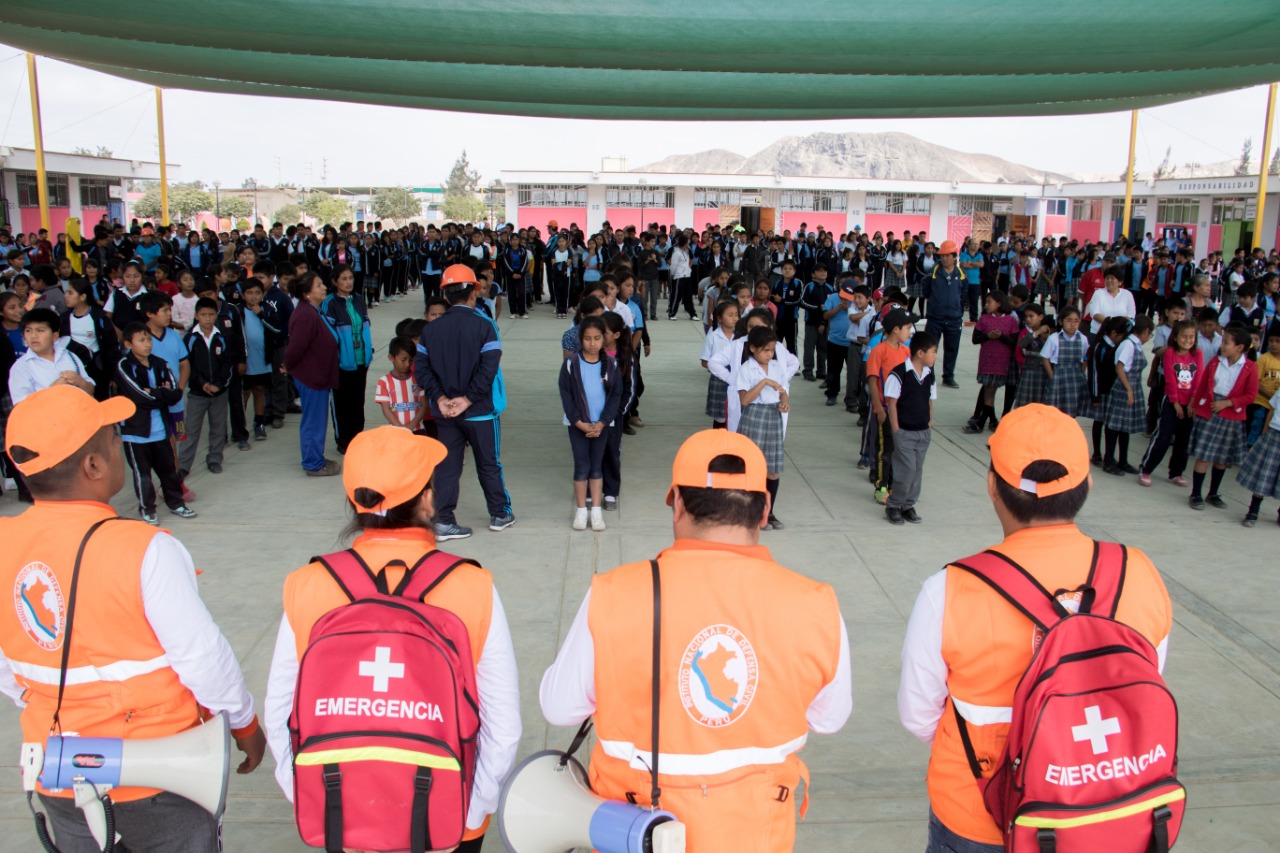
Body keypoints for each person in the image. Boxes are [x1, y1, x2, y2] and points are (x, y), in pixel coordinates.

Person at [540, 429, 852, 853]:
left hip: (634, 833)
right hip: (757, 838)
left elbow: (559, 707)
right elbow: (829, 718)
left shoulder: (614, 593)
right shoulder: (816, 603)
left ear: (678, 506)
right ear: (764, 511)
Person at [0, 385, 265, 852]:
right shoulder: (144, 548)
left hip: (58, 768)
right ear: (93, 465)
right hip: (158, 774)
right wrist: (243, 725)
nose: (120, 446)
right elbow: (204, 660)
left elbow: (10, 668)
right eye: (113, 438)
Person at [898, 403, 1172, 853]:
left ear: (992, 486)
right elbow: (1144, 682)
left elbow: (918, 715)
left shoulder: (949, 589)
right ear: (1088, 483)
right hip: (1107, 808)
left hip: (981, 812)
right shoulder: (1138, 572)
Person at [263, 426, 521, 853]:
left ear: (354, 501)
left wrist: (310, 794)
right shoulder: (472, 586)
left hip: (339, 812)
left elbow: (279, 713)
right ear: (426, 500)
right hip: (446, 816)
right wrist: (469, 816)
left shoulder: (307, 585)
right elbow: (503, 726)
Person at [414, 264, 514, 540]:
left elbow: (421, 370)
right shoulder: (485, 325)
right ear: (475, 291)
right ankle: (499, 513)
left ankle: (444, 521)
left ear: (445, 296)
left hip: (446, 413)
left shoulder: (431, 330)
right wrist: (468, 399)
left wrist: (442, 397)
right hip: (480, 412)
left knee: (447, 467)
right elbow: (489, 369)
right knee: (489, 463)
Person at [114, 322, 197, 523]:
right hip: (136, 432)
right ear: (128, 344)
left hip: (160, 428)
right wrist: (161, 393)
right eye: (141, 340)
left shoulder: (160, 363)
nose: (148, 344)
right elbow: (138, 396)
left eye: (149, 339)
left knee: (168, 471)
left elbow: (176, 393)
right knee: (142, 475)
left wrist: (155, 392)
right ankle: (147, 509)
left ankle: (177, 503)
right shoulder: (125, 366)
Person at [559, 316, 621, 531]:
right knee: (581, 466)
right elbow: (566, 395)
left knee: (596, 467)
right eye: (587, 339)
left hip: (601, 426)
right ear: (580, 339)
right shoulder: (571, 363)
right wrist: (579, 422)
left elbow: (615, 396)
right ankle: (580, 511)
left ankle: (596, 511)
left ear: (604, 339)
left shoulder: (612, 364)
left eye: (597, 338)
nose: (592, 343)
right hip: (578, 425)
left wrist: (603, 423)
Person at [1187, 326, 1259, 510]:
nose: (1222, 345)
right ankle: (1196, 493)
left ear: (1240, 347)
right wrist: (1195, 407)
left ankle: (1213, 493)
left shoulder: (1250, 367)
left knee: (1221, 458)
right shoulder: (1214, 362)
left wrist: (1228, 403)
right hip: (1210, 410)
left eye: (1227, 342)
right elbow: (1203, 385)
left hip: (1230, 414)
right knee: (1204, 456)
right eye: (1223, 341)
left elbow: (1251, 395)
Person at [283, 272, 341, 477]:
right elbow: (295, 348)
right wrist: (287, 365)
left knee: (316, 420)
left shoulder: (313, 311)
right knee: (313, 421)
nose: (324, 287)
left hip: (318, 375)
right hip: (311, 377)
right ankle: (313, 463)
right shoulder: (306, 314)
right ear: (307, 294)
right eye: (318, 286)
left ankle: (316, 457)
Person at [736, 325, 790, 529]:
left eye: (772, 350)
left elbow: (782, 391)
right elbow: (744, 400)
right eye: (765, 350)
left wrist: (785, 401)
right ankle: (751, 512)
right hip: (754, 416)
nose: (770, 354)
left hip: (773, 415)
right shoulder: (746, 369)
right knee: (752, 467)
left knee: (773, 469)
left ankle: (769, 511)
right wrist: (764, 382)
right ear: (752, 349)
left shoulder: (777, 367)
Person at [1138, 319, 1202, 487]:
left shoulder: (1198, 354)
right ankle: (1146, 468)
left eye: (1191, 337)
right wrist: (1175, 403)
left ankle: (1176, 472)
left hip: (1189, 404)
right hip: (1171, 402)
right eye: (1184, 337)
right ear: (1175, 337)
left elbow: (1198, 379)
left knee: (1183, 439)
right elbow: (1170, 380)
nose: (1187, 340)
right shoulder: (1170, 353)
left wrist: (1192, 402)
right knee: (1163, 436)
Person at [884, 331, 937, 525]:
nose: (935, 356)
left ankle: (908, 505)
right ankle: (894, 505)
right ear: (920, 353)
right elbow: (891, 403)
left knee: (917, 470)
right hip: (904, 432)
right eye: (933, 352)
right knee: (905, 470)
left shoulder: (930, 374)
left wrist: (929, 423)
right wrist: (896, 429)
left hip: (922, 432)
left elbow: (930, 400)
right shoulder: (900, 373)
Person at [180, 297, 233, 477]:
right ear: (196, 316)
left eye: (211, 314)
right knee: (191, 430)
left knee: (218, 427)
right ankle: (184, 465)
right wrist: (202, 384)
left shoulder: (221, 338)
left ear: (216, 315)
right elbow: (188, 366)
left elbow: (227, 364)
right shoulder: (190, 338)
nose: (207, 318)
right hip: (197, 392)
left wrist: (218, 384)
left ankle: (215, 459)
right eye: (203, 315)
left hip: (219, 392)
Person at [321, 265, 372, 454]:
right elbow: (327, 335)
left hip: (361, 361)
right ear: (334, 282)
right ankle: (343, 440)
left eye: (350, 278)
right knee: (342, 403)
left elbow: (365, 326)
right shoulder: (329, 303)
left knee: (358, 402)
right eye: (343, 279)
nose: (348, 282)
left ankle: (358, 437)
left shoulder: (359, 299)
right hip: (341, 364)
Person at [8, 307, 94, 405]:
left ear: (55, 336)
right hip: (46, 420)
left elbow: (91, 390)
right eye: (28, 331)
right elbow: (21, 409)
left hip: (78, 417)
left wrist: (79, 381)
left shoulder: (69, 356)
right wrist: (53, 390)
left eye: (40, 330)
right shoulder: (21, 367)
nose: (33, 336)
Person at [1103, 315, 1156, 474]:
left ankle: (1123, 460)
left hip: (1132, 386)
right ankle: (1109, 460)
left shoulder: (1135, 344)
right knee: (1114, 426)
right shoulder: (1128, 344)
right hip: (1124, 388)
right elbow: (1120, 368)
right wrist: (1129, 390)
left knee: (1125, 428)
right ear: (1145, 331)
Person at [1236, 388, 1280, 527]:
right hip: (1274, 433)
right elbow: (1272, 411)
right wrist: (1264, 433)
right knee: (1264, 474)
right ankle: (1253, 511)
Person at [925, 240, 965, 388]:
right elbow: (926, 290)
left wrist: (956, 309)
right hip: (935, 317)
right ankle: (929, 376)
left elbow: (964, 293)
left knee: (952, 349)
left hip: (954, 318)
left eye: (948, 256)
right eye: (942, 256)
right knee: (930, 347)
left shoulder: (961, 274)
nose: (945, 259)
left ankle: (948, 376)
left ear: (954, 257)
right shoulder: (933, 273)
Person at [701, 299, 739, 429]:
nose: (734, 318)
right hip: (719, 379)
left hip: (737, 378)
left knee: (735, 413)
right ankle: (718, 443)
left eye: (736, 315)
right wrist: (720, 368)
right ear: (720, 318)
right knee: (720, 416)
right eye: (730, 315)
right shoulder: (713, 336)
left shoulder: (740, 337)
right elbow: (705, 361)